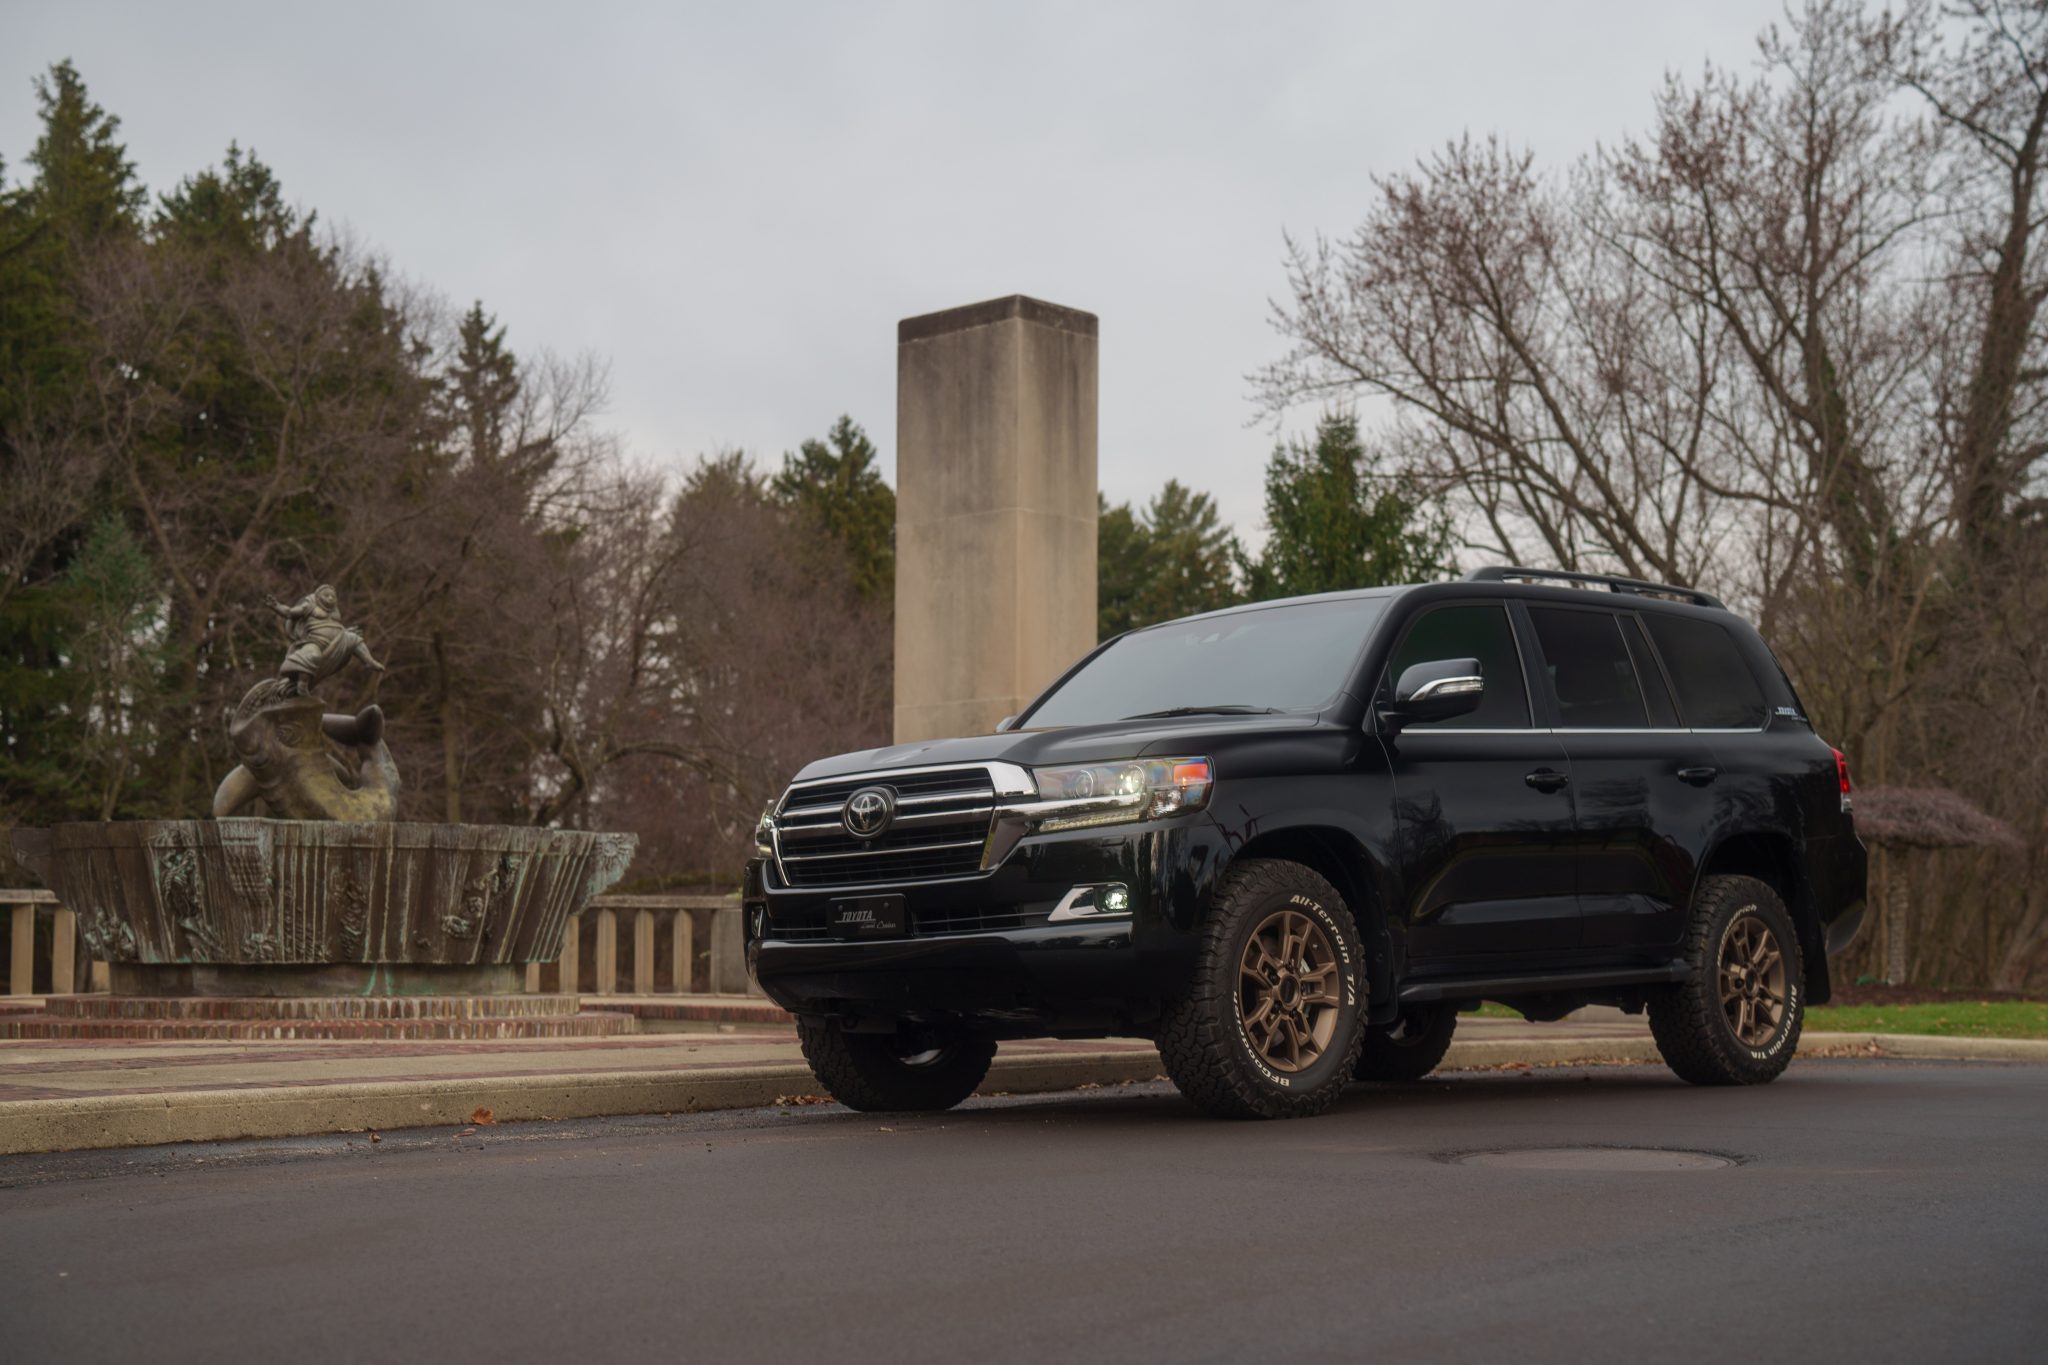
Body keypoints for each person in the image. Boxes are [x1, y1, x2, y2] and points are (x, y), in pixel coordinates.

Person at [268, 584, 385, 696]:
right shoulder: (309, 607)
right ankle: (302, 684)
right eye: (326, 595)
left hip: (337, 640)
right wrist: (277, 606)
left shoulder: (334, 613)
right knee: (312, 655)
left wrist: (346, 631)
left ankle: (369, 661)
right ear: (318, 597)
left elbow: (334, 628)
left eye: (333, 596)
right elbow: (289, 612)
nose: (330, 598)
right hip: (315, 642)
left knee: (354, 638)